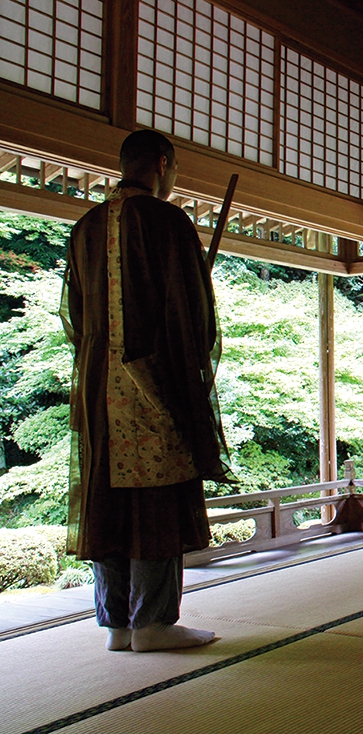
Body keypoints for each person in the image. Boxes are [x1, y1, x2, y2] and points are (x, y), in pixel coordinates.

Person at [60, 129, 233, 652]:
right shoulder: (167, 220)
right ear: (162, 164)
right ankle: (154, 622)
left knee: (109, 500)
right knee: (156, 497)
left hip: (95, 388)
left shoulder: (85, 227)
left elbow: (76, 316)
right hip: (153, 382)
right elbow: (190, 313)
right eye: (175, 171)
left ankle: (116, 624)